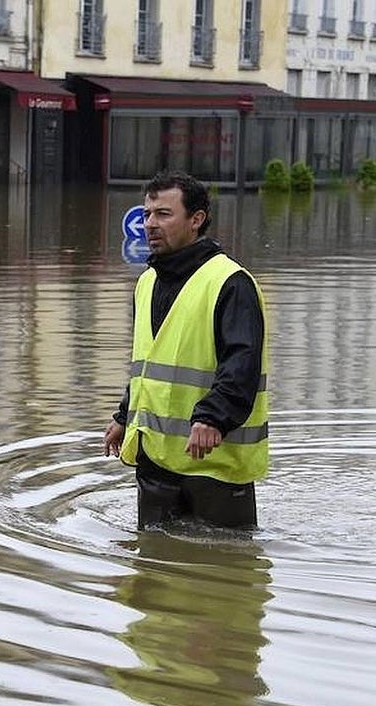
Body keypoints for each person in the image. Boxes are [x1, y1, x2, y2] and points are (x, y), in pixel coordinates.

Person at [102, 170, 269, 529]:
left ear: (196, 220)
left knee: (224, 571)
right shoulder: (146, 282)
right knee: (150, 565)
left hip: (214, 463)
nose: (150, 224)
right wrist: (124, 415)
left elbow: (241, 361)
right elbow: (147, 364)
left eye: (163, 214)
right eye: (146, 214)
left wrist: (213, 416)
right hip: (156, 460)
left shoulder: (229, 281)